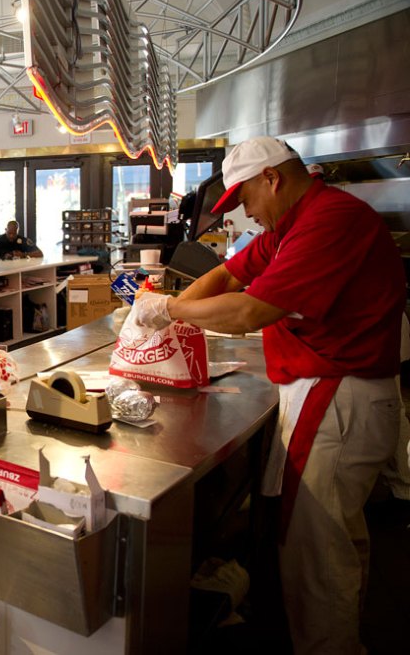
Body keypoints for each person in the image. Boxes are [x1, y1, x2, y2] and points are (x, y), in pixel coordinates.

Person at [133, 136, 405, 654]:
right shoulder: (290, 225)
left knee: (318, 553)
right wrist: (163, 317)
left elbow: (247, 311)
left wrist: (170, 312)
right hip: (329, 391)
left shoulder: (331, 221)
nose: (246, 215)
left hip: (339, 399)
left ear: (272, 179)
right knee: (336, 543)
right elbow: (228, 273)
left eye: (245, 199)